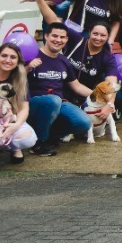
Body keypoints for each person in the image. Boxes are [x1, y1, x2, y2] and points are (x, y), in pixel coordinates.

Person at [25, 23, 94, 155]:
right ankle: (40, 143)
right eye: (54, 36)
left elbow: (77, 86)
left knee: (84, 123)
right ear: (46, 36)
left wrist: (101, 96)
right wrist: (28, 67)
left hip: (58, 102)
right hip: (33, 104)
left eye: (62, 37)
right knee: (53, 101)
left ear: (66, 40)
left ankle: (51, 136)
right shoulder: (32, 55)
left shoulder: (64, 61)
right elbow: (14, 79)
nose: (58, 40)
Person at [0, 43, 37, 167]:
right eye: (4, 56)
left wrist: (15, 126)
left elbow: (24, 108)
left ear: (18, 61)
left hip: (7, 118)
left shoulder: (20, 79)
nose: (7, 60)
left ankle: (13, 147)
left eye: (13, 57)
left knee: (29, 138)